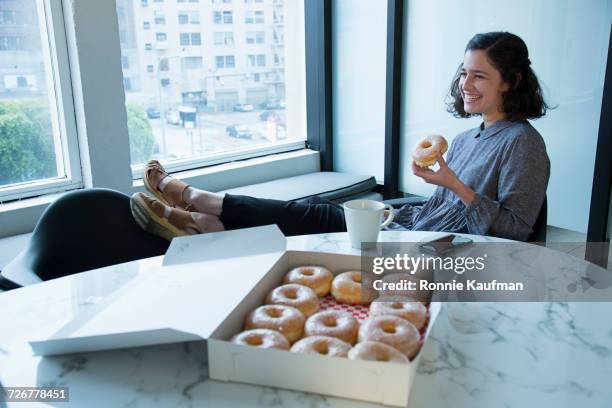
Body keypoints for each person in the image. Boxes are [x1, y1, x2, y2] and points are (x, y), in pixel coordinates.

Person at [130, 31, 550, 243]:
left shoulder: (523, 144)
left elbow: (515, 232)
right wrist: (411, 201)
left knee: (313, 218)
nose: (465, 84)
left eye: (479, 75)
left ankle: (199, 204)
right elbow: (441, 206)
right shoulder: (466, 138)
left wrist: (452, 185)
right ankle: (206, 225)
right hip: (410, 228)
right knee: (314, 208)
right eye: (464, 73)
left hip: (432, 250)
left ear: (511, 82)